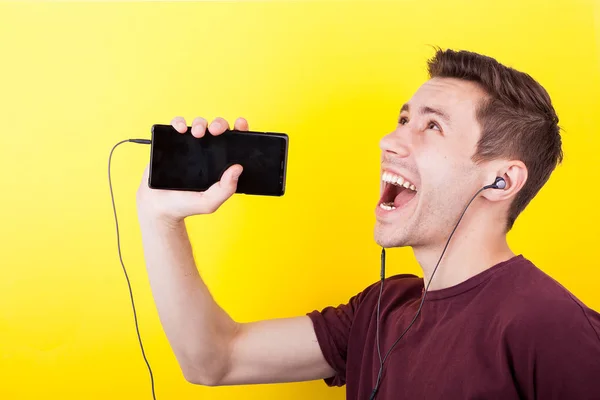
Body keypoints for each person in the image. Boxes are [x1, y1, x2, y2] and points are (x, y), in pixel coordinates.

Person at [135, 49, 600, 399]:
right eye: (402, 118)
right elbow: (214, 360)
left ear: (500, 180)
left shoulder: (550, 325)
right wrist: (160, 218)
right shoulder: (381, 308)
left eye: (432, 126)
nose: (389, 139)